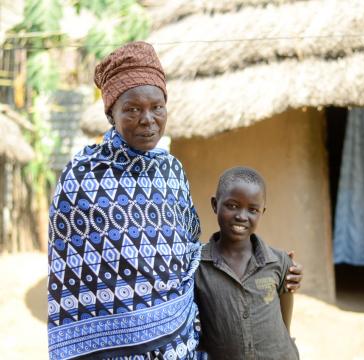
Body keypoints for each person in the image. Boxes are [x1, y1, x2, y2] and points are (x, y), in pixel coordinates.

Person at [47, 41, 302, 360]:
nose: (147, 119)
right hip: (107, 349)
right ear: (111, 112)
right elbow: (69, 268)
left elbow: (188, 252)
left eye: (157, 107)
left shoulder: (170, 170)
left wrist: (273, 265)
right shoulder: (82, 177)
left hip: (176, 346)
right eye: (132, 109)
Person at [195, 166, 299, 360]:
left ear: (262, 212)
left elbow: (285, 324)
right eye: (232, 205)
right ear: (215, 204)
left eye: (252, 209)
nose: (242, 216)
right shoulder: (198, 265)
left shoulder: (278, 261)